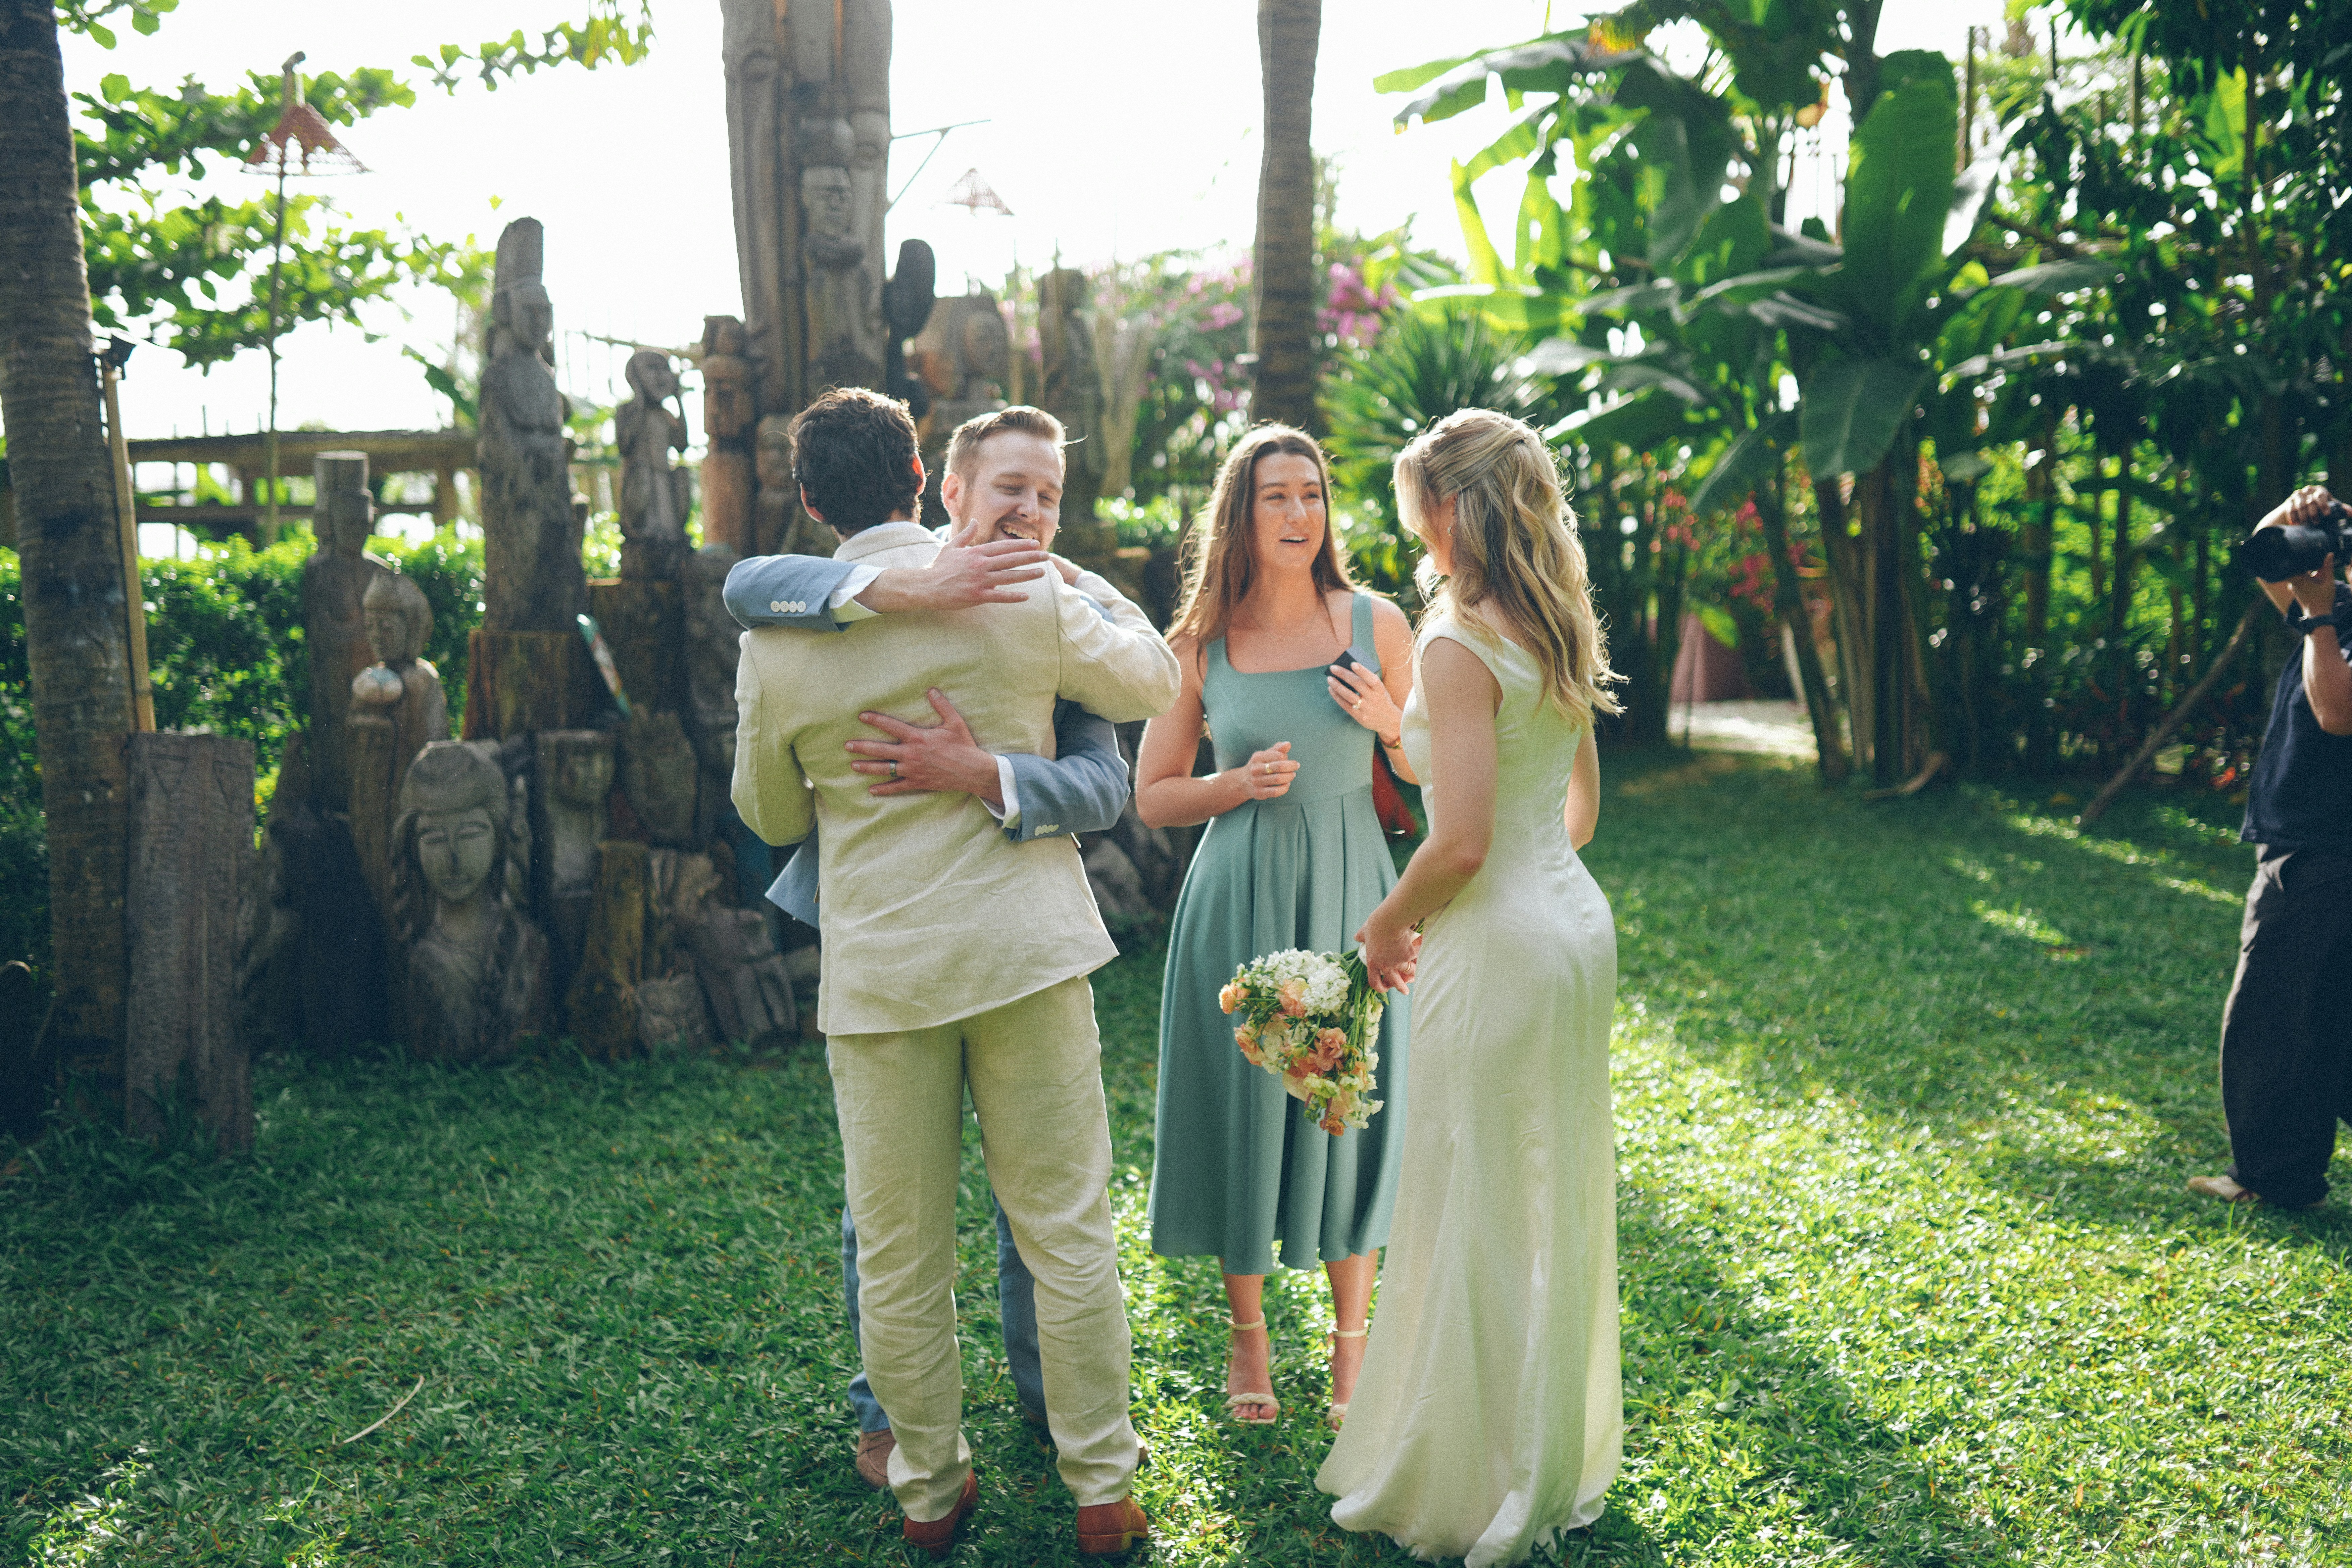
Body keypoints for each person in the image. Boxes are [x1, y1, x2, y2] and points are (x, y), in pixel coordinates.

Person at [731, 388, 1177, 1558]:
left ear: (812, 500)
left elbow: (771, 812)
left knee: (898, 1247)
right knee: (1064, 1229)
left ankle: (929, 1491)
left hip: (881, 976)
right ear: (924, 472)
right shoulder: (1021, 589)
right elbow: (1154, 686)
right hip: (1028, 953)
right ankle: (1099, 1488)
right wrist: (1068, 576)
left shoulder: (779, 640)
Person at [1316, 408, 1623, 1566]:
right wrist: (1408, 744)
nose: (1413, 532)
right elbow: (1574, 811)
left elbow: (1454, 844)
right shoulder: (1553, 623)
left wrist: (1382, 927)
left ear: (1449, 507)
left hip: (1491, 943)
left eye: (1414, 509)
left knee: (1469, 1193)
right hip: (1568, 928)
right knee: (1543, 1188)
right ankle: (1541, 1453)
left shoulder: (1451, 643)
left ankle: (1470, 1477)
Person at [1133, 424, 1414, 1428]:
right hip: (1239, 896)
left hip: (1353, 892)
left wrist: (1392, 725)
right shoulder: (1197, 643)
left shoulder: (1379, 622)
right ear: (1241, 517)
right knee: (1246, 1108)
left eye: (1313, 495)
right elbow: (1154, 796)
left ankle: (1352, 1350)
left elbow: (1436, 769)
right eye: (1276, 498)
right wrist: (1233, 783)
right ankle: (1248, 1337)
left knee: (1350, 1100)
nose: (1299, 514)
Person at [2190, 484, 2352, 1211]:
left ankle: (2273, 1176)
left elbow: (2337, 712)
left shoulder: (2333, 617)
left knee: (2270, 1015)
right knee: (2328, 1014)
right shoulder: (2341, 608)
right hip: (2319, 841)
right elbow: (2263, 563)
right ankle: (2282, 1168)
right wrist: (2292, 516)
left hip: (2324, 845)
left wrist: (2318, 615)